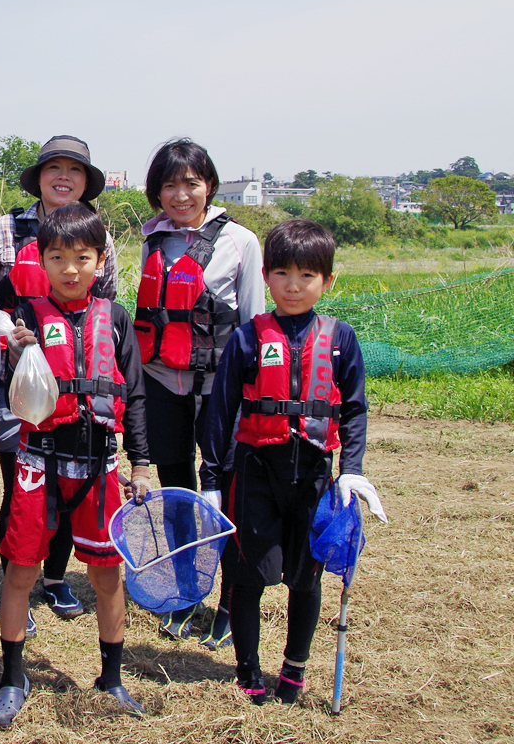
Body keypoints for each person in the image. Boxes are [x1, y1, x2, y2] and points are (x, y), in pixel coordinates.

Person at [199, 218, 384, 704]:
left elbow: (356, 409)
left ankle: (294, 671)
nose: (294, 286)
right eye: (282, 274)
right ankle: (248, 672)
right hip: (256, 471)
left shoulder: (341, 339)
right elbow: (219, 411)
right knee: (246, 576)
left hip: (315, 476)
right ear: (266, 278)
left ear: (327, 280)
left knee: (307, 576)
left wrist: (354, 470)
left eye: (307, 275)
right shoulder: (247, 338)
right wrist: (212, 477)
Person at [0, 206, 152, 728]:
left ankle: (112, 677)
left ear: (100, 261)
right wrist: (16, 353)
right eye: (58, 258)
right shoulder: (27, 317)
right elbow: (16, 381)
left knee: (106, 575)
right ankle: (13, 678)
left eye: (82, 258)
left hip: (98, 464)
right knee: (21, 570)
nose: (71, 269)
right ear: (42, 261)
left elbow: (137, 395)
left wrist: (141, 464)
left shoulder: (116, 319)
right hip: (38, 463)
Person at [0, 134, 118, 632]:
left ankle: (56, 578)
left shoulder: (97, 234)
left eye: (75, 170)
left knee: (74, 476)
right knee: (23, 485)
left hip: (76, 390)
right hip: (16, 381)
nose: (64, 177)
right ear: (38, 178)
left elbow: (107, 309)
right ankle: (17, 574)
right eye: (53, 168)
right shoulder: (3, 230)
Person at [133, 138, 264, 647]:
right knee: (177, 493)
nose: (181, 194)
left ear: (209, 185)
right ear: (156, 192)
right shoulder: (153, 241)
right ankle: (187, 592)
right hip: (164, 382)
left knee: (226, 493)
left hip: (219, 391)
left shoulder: (241, 242)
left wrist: (248, 394)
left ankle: (231, 598)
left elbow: (253, 324)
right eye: (169, 185)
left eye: (191, 183)